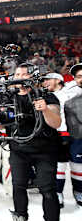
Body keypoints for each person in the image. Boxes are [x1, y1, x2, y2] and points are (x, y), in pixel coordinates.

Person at [0, 63, 63, 221]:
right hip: (19, 149)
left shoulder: (45, 95)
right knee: (18, 186)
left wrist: (45, 110)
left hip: (44, 149)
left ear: (32, 76)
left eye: (24, 73)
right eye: (17, 73)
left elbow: (56, 123)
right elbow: (2, 127)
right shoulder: (7, 97)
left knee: (48, 190)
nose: (20, 76)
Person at [42, 73, 72, 207]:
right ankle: (57, 193)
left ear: (58, 80)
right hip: (53, 133)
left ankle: (61, 193)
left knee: (67, 165)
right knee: (57, 165)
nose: (45, 82)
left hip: (66, 133)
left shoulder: (68, 93)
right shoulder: (45, 96)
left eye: (48, 79)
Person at [64, 63, 82, 207]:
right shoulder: (68, 91)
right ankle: (79, 191)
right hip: (76, 135)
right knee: (77, 165)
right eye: (79, 76)